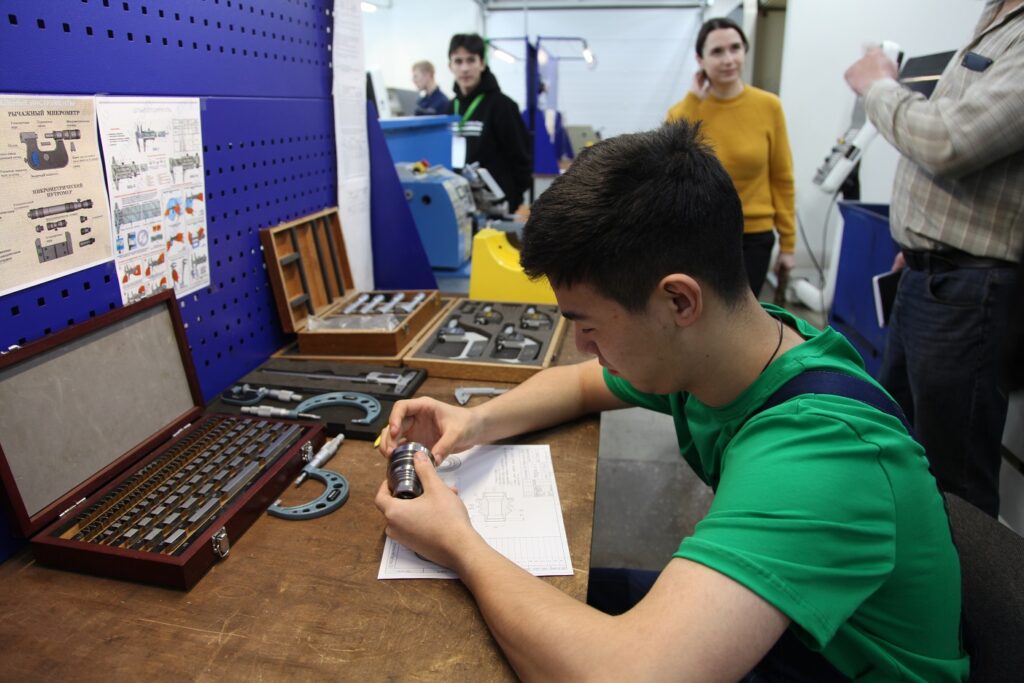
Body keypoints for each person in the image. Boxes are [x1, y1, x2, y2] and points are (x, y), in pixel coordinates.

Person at [375, 122, 968, 681]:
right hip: (798, 632)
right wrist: (473, 421)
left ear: (679, 301)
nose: (581, 346)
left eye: (588, 326)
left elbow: (626, 675)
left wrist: (458, 542)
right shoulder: (727, 349)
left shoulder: (821, 452)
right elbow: (580, 384)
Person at [844, 0, 1024, 517]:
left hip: (969, 290)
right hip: (928, 274)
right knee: (894, 439)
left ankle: (960, 575)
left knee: (953, 482)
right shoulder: (996, 16)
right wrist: (921, 245)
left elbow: (947, 141)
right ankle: (901, 562)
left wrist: (879, 85)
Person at [666, 17, 796, 297]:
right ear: (700, 60)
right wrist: (693, 99)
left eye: (735, 48)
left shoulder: (769, 106)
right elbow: (667, 167)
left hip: (754, 237)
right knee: (699, 315)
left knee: (745, 316)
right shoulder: (685, 111)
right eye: (717, 51)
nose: (728, 59)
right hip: (700, 234)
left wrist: (788, 244)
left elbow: (782, 177)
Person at [446, 33, 532, 212]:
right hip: (459, 205)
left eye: (471, 60)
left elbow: (522, 159)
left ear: (482, 64)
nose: (464, 68)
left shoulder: (503, 106)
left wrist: (512, 199)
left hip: (496, 207)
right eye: (458, 61)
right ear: (450, 66)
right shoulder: (448, 109)